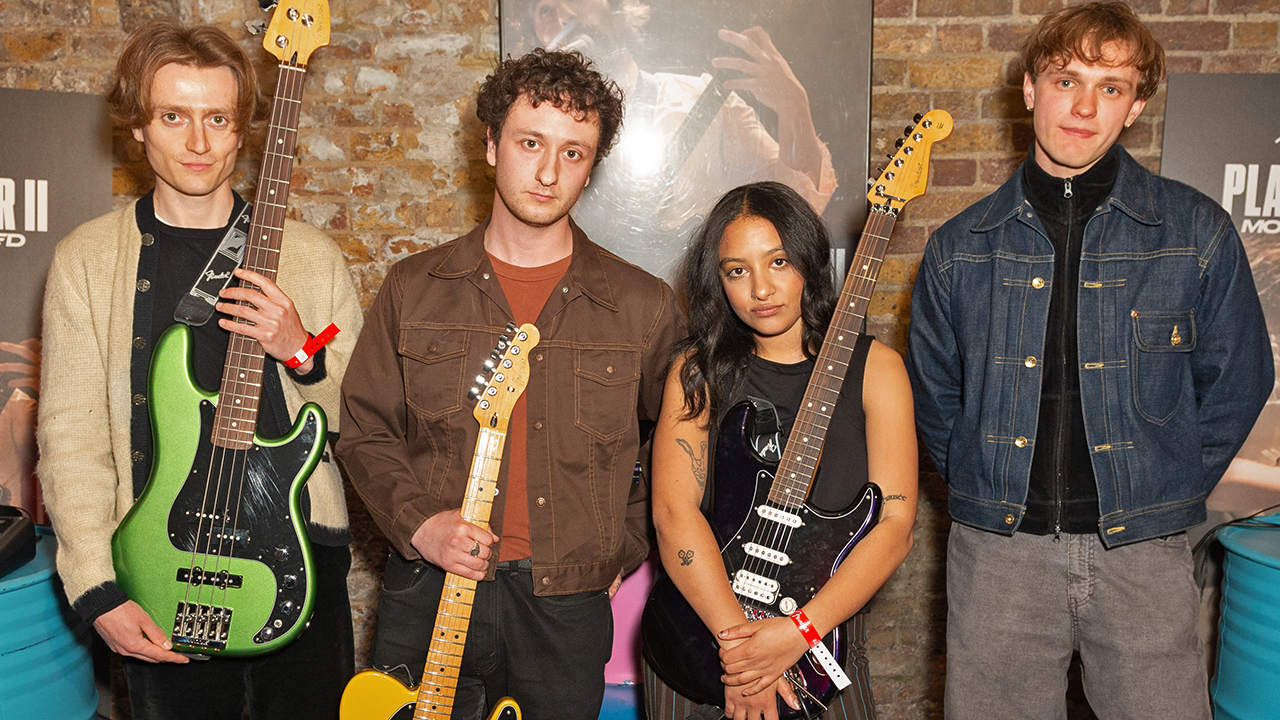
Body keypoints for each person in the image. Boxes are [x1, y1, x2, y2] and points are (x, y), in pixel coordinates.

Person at [906, 3, 1273, 718]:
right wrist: (986, 485)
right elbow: (937, 396)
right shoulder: (960, 247)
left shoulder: (1196, 231)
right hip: (999, 558)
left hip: (1144, 555)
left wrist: (1161, 487)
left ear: (1135, 106)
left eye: (1110, 87)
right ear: (1029, 89)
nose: (1083, 105)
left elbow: (1240, 379)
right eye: (1066, 78)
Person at [336, 48, 684, 719]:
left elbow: (677, 456)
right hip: (429, 589)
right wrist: (421, 524)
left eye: (574, 153)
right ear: (492, 144)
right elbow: (365, 431)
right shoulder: (414, 289)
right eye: (531, 143)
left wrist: (619, 550)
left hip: (566, 610)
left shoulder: (645, 307)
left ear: (592, 167)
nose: (549, 172)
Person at [37, 19, 363, 719]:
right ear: (137, 128)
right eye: (173, 116)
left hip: (302, 560)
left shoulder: (311, 258)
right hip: (162, 568)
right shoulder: (87, 262)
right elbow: (70, 438)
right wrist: (98, 589)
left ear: (242, 129)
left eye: (217, 118)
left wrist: (300, 349)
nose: (197, 141)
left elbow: (362, 416)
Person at [644, 181, 917, 720]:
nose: (761, 289)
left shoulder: (877, 371)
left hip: (818, 645)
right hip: (697, 640)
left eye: (779, 262)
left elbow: (895, 525)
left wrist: (797, 633)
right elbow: (674, 513)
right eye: (737, 271)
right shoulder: (697, 372)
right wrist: (742, 655)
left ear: (810, 263)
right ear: (718, 282)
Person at [505, 0, 837, 279]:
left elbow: (800, 203)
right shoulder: (528, 126)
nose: (564, 16)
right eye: (544, 10)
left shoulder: (700, 100)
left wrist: (794, 106)